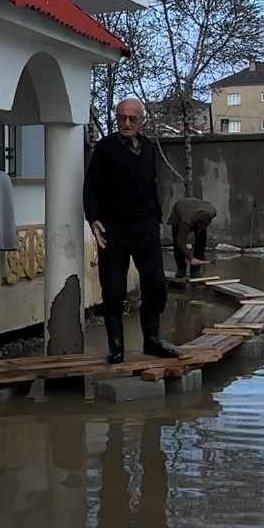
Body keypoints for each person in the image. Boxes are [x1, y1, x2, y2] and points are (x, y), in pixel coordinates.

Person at [83, 98, 179, 364]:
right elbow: (90, 186)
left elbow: (151, 185)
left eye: (132, 119)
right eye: (122, 118)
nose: (126, 123)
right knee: (113, 290)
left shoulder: (148, 148)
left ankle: (152, 339)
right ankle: (116, 346)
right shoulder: (105, 149)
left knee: (156, 285)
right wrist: (93, 219)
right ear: (116, 119)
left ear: (141, 121)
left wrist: (158, 217)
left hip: (145, 225)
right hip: (114, 227)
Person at [168, 197, 216, 278]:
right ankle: (181, 268)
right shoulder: (186, 221)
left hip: (197, 208)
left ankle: (195, 269)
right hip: (179, 210)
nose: (198, 229)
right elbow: (180, 243)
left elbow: (201, 241)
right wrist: (190, 258)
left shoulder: (212, 212)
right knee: (177, 242)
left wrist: (196, 260)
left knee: (201, 241)